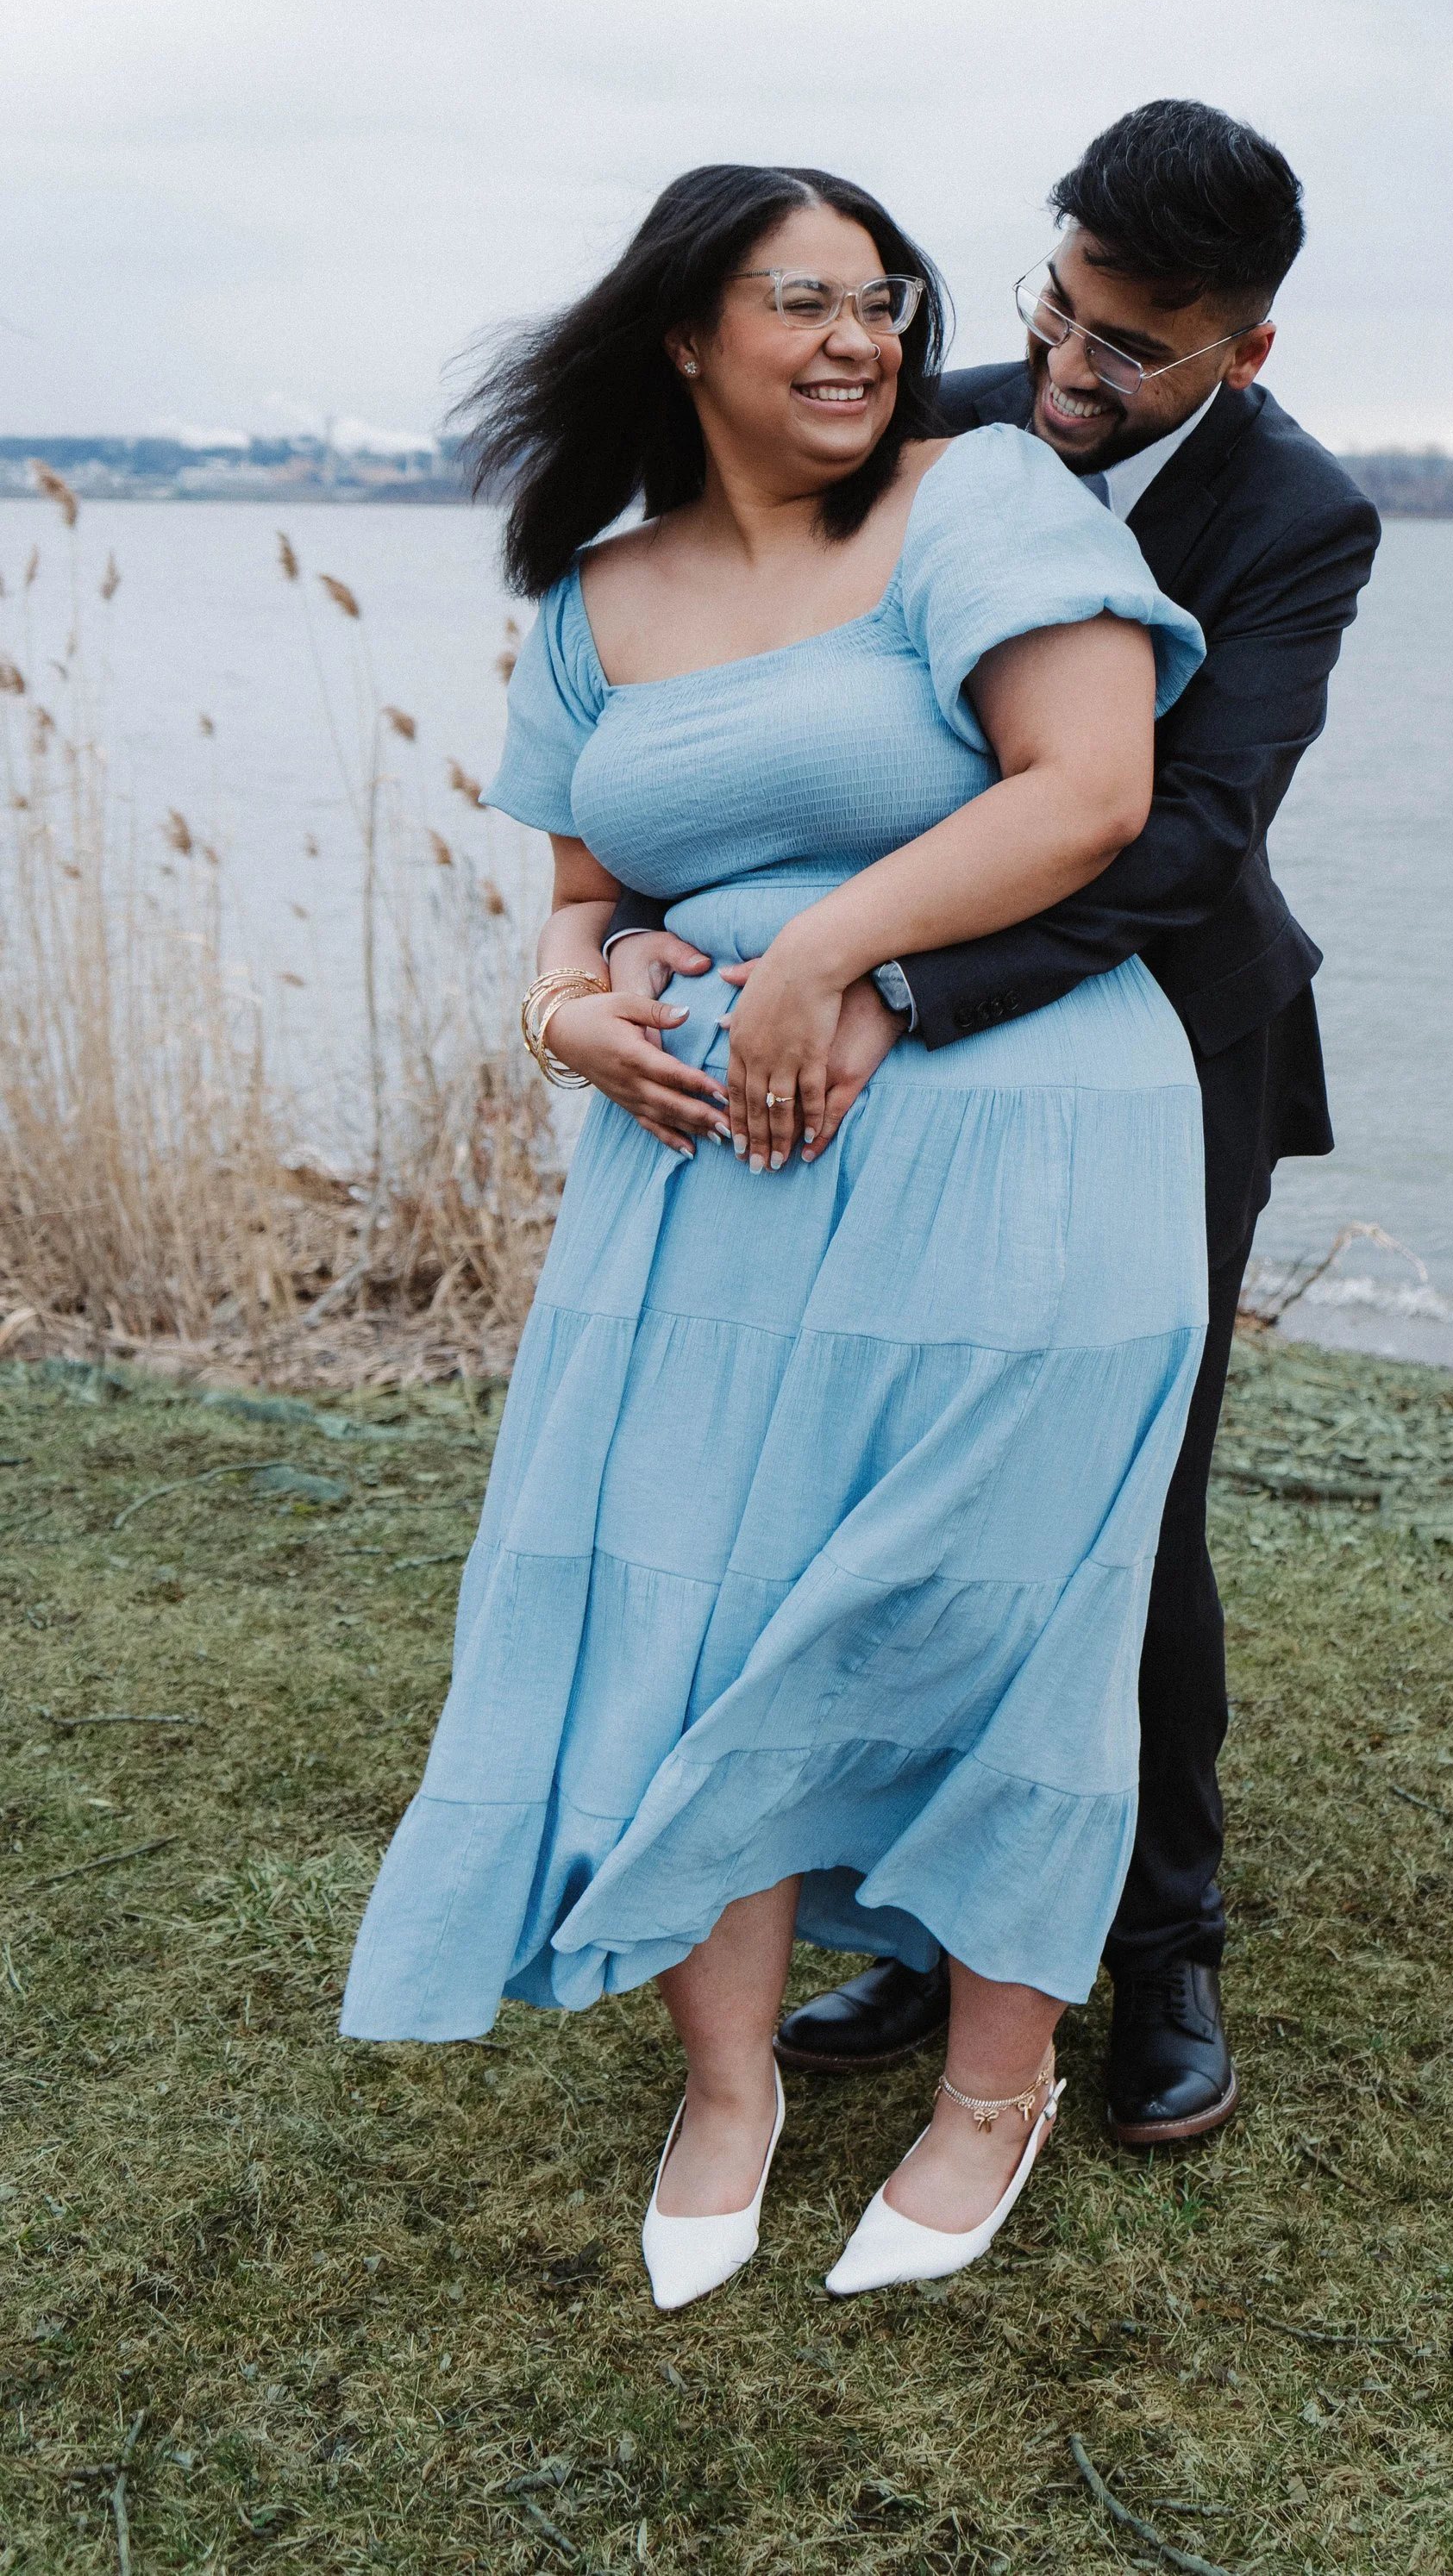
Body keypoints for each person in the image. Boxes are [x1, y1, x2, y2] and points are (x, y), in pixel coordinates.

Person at [339, 162, 1212, 2309]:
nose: (859, 336)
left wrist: (821, 951)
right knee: (688, 1601)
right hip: (693, 1181)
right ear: (682, 333)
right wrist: (573, 1013)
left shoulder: (986, 499)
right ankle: (724, 2083)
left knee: (996, 1607)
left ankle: (985, 2092)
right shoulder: (593, 596)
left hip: (1015, 1154)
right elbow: (576, 898)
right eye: (801, 299)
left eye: (883, 298)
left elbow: (1086, 786)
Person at [594, 101, 1381, 2149]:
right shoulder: (934, 420)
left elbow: (1186, 835)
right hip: (875, 1027)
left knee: (1120, 1499)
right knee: (887, 1465)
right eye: (1056, 306)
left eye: (1130, 348)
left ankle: (1165, 1942)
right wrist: (630, 941)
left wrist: (899, 982)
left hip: (1160, 1040)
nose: (1065, 371)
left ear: (1242, 354)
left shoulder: (1298, 521)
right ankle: (930, 1918)